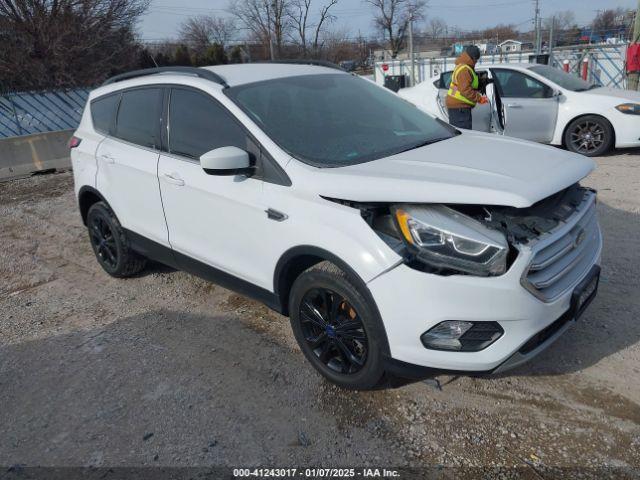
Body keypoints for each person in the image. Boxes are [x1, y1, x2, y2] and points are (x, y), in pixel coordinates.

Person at [445, 45, 489, 130]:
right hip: (460, 108)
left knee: (460, 134)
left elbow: (461, 86)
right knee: (464, 136)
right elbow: (465, 90)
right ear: (472, 58)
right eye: (476, 59)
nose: (476, 62)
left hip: (457, 107)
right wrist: (479, 98)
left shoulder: (462, 66)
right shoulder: (465, 70)